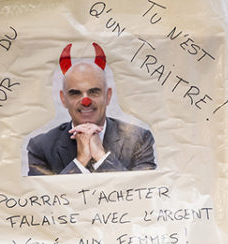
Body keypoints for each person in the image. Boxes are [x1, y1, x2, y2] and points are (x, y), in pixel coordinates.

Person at [27, 44, 156, 175]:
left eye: (94, 92)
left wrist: (101, 157)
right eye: (75, 93)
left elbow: (143, 191)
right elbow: (44, 194)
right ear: (63, 99)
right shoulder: (40, 147)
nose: (86, 101)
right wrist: (80, 161)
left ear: (108, 96)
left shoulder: (139, 139)